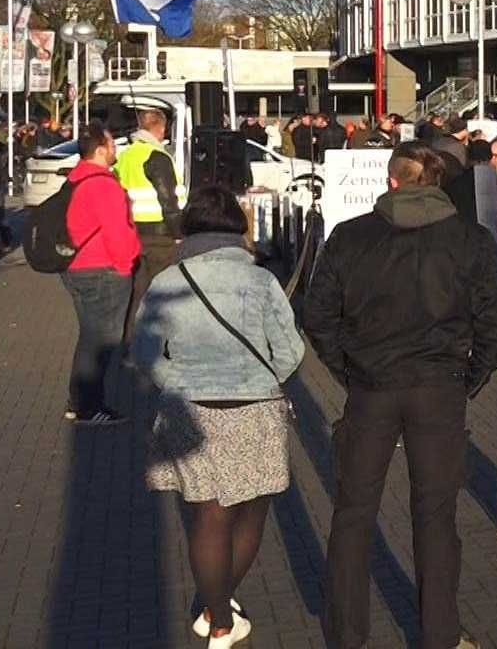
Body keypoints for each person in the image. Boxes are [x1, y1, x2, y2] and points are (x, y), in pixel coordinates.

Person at [301, 143, 497, 649]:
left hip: (373, 386)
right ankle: (439, 633)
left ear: (392, 182)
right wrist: (470, 379)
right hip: (438, 387)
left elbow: (317, 313)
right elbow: (495, 323)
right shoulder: (470, 240)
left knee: (352, 512)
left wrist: (347, 369)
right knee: (436, 516)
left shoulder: (351, 237)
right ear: (434, 184)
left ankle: (347, 634)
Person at [130, 188, 304, 649]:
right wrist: (261, 376)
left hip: (189, 408)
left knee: (209, 514)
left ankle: (220, 618)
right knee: (251, 509)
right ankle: (218, 611)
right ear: (238, 230)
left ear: (188, 231)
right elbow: (290, 351)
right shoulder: (261, 281)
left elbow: (143, 353)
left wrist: (178, 381)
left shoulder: (167, 281)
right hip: (254, 406)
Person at [61, 124, 139, 424]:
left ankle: (79, 401)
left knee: (89, 336)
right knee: (104, 339)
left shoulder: (76, 178)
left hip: (77, 267)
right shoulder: (103, 185)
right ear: (100, 149)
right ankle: (89, 406)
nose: (116, 150)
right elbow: (117, 232)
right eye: (112, 144)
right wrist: (124, 266)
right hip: (103, 269)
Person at [116, 109, 187, 330]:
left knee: (136, 292)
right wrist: (178, 233)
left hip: (132, 232)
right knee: (163, 292)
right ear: (161, 128)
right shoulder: (157, 157)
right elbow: (169, 200)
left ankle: (128, 340)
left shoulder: (125, 156)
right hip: (159, 234)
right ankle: (158, 341)